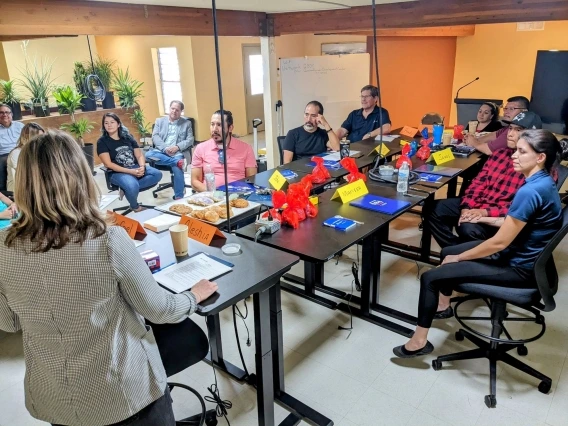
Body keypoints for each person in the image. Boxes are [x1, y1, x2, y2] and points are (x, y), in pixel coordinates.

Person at [0, 129, 219, 425]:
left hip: (55, 399)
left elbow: (9, 322)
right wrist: (193, 295)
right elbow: (159, 309)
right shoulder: (106, 240)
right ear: (79, 177)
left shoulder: (4, 246)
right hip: (122, 396)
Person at [394, 129, 562, 357]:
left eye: (522, 152)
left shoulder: (531, 190)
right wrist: (481, 216)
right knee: (447, 251)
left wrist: (459, 258)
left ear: (540, 157)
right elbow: (513, 221)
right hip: (524, 255)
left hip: (518, 266)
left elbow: (498, 243)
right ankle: (442, 306)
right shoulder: (543, 182)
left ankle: (418, 341)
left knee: (431, 276)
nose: (514, 155)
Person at [423, 111, 543, 249]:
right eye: (510, 128)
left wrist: (484, 213)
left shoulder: (537, 165)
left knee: (468, 228)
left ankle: (467, 257)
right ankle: (454, 252)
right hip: (479, 204)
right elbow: (477, 183)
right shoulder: (500, 154)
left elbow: (520, 209)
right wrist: (466, 207)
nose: (510, 134)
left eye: (519, 130)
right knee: (433, 208)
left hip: (498, 216)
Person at [97, 113, 162, 212]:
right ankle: (135, 206)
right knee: (132, 185)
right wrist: (130, 172)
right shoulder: (102, 142)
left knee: (157, 174)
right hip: (117, 172)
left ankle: (125, 189)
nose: (109, 125)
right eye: (106, 123)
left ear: (118, 124)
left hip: (135, 167)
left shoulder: (128, 137)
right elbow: (108, 164)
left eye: (112, 122)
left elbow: (139, 155)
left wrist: (142, 167)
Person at [191, 110, 257, 191]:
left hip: (238, 195)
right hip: (211, 197)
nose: (214, 129)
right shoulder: (201, 148)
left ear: (230, 128)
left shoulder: (246, 149)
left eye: (219, 125)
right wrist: (214, 194)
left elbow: (251, 180)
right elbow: (195, 181)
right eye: (212, 124)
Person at [146, 100, 194, 200]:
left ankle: (179, 197)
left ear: (181, 112)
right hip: (162, 151)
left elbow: (190, 140)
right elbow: (155, 136)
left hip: (177, 152)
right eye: (172, 108)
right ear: (169, 109)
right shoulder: (159, 121)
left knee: (177, 168)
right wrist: (165, 148)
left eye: (177, 110)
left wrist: (177, 147)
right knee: (148, 155)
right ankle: (177, 162)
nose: (174, 111)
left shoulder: (187, 123)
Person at [465, 96, 530, 155]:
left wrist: (473, 142)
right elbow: (495, 134)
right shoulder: (508, 127)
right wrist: (475, 139)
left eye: (511, 109)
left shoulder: (518, 130)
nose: (506, 112)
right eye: (506, 108)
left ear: (524, 111)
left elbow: (488, 150)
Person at [6, 122, 45, 192]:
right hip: (17, 193)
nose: (42, 141)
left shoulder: (38, 151)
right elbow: (26, 178)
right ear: (27, 137)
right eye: (38, 137)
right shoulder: (16, 153)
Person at [0, 103, 24, 191]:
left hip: (21, 151)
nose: (5, 115)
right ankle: (4, 193)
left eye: (7, 112)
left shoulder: (20, 126)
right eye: (1, 113)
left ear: (12, 114)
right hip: (3, 155)